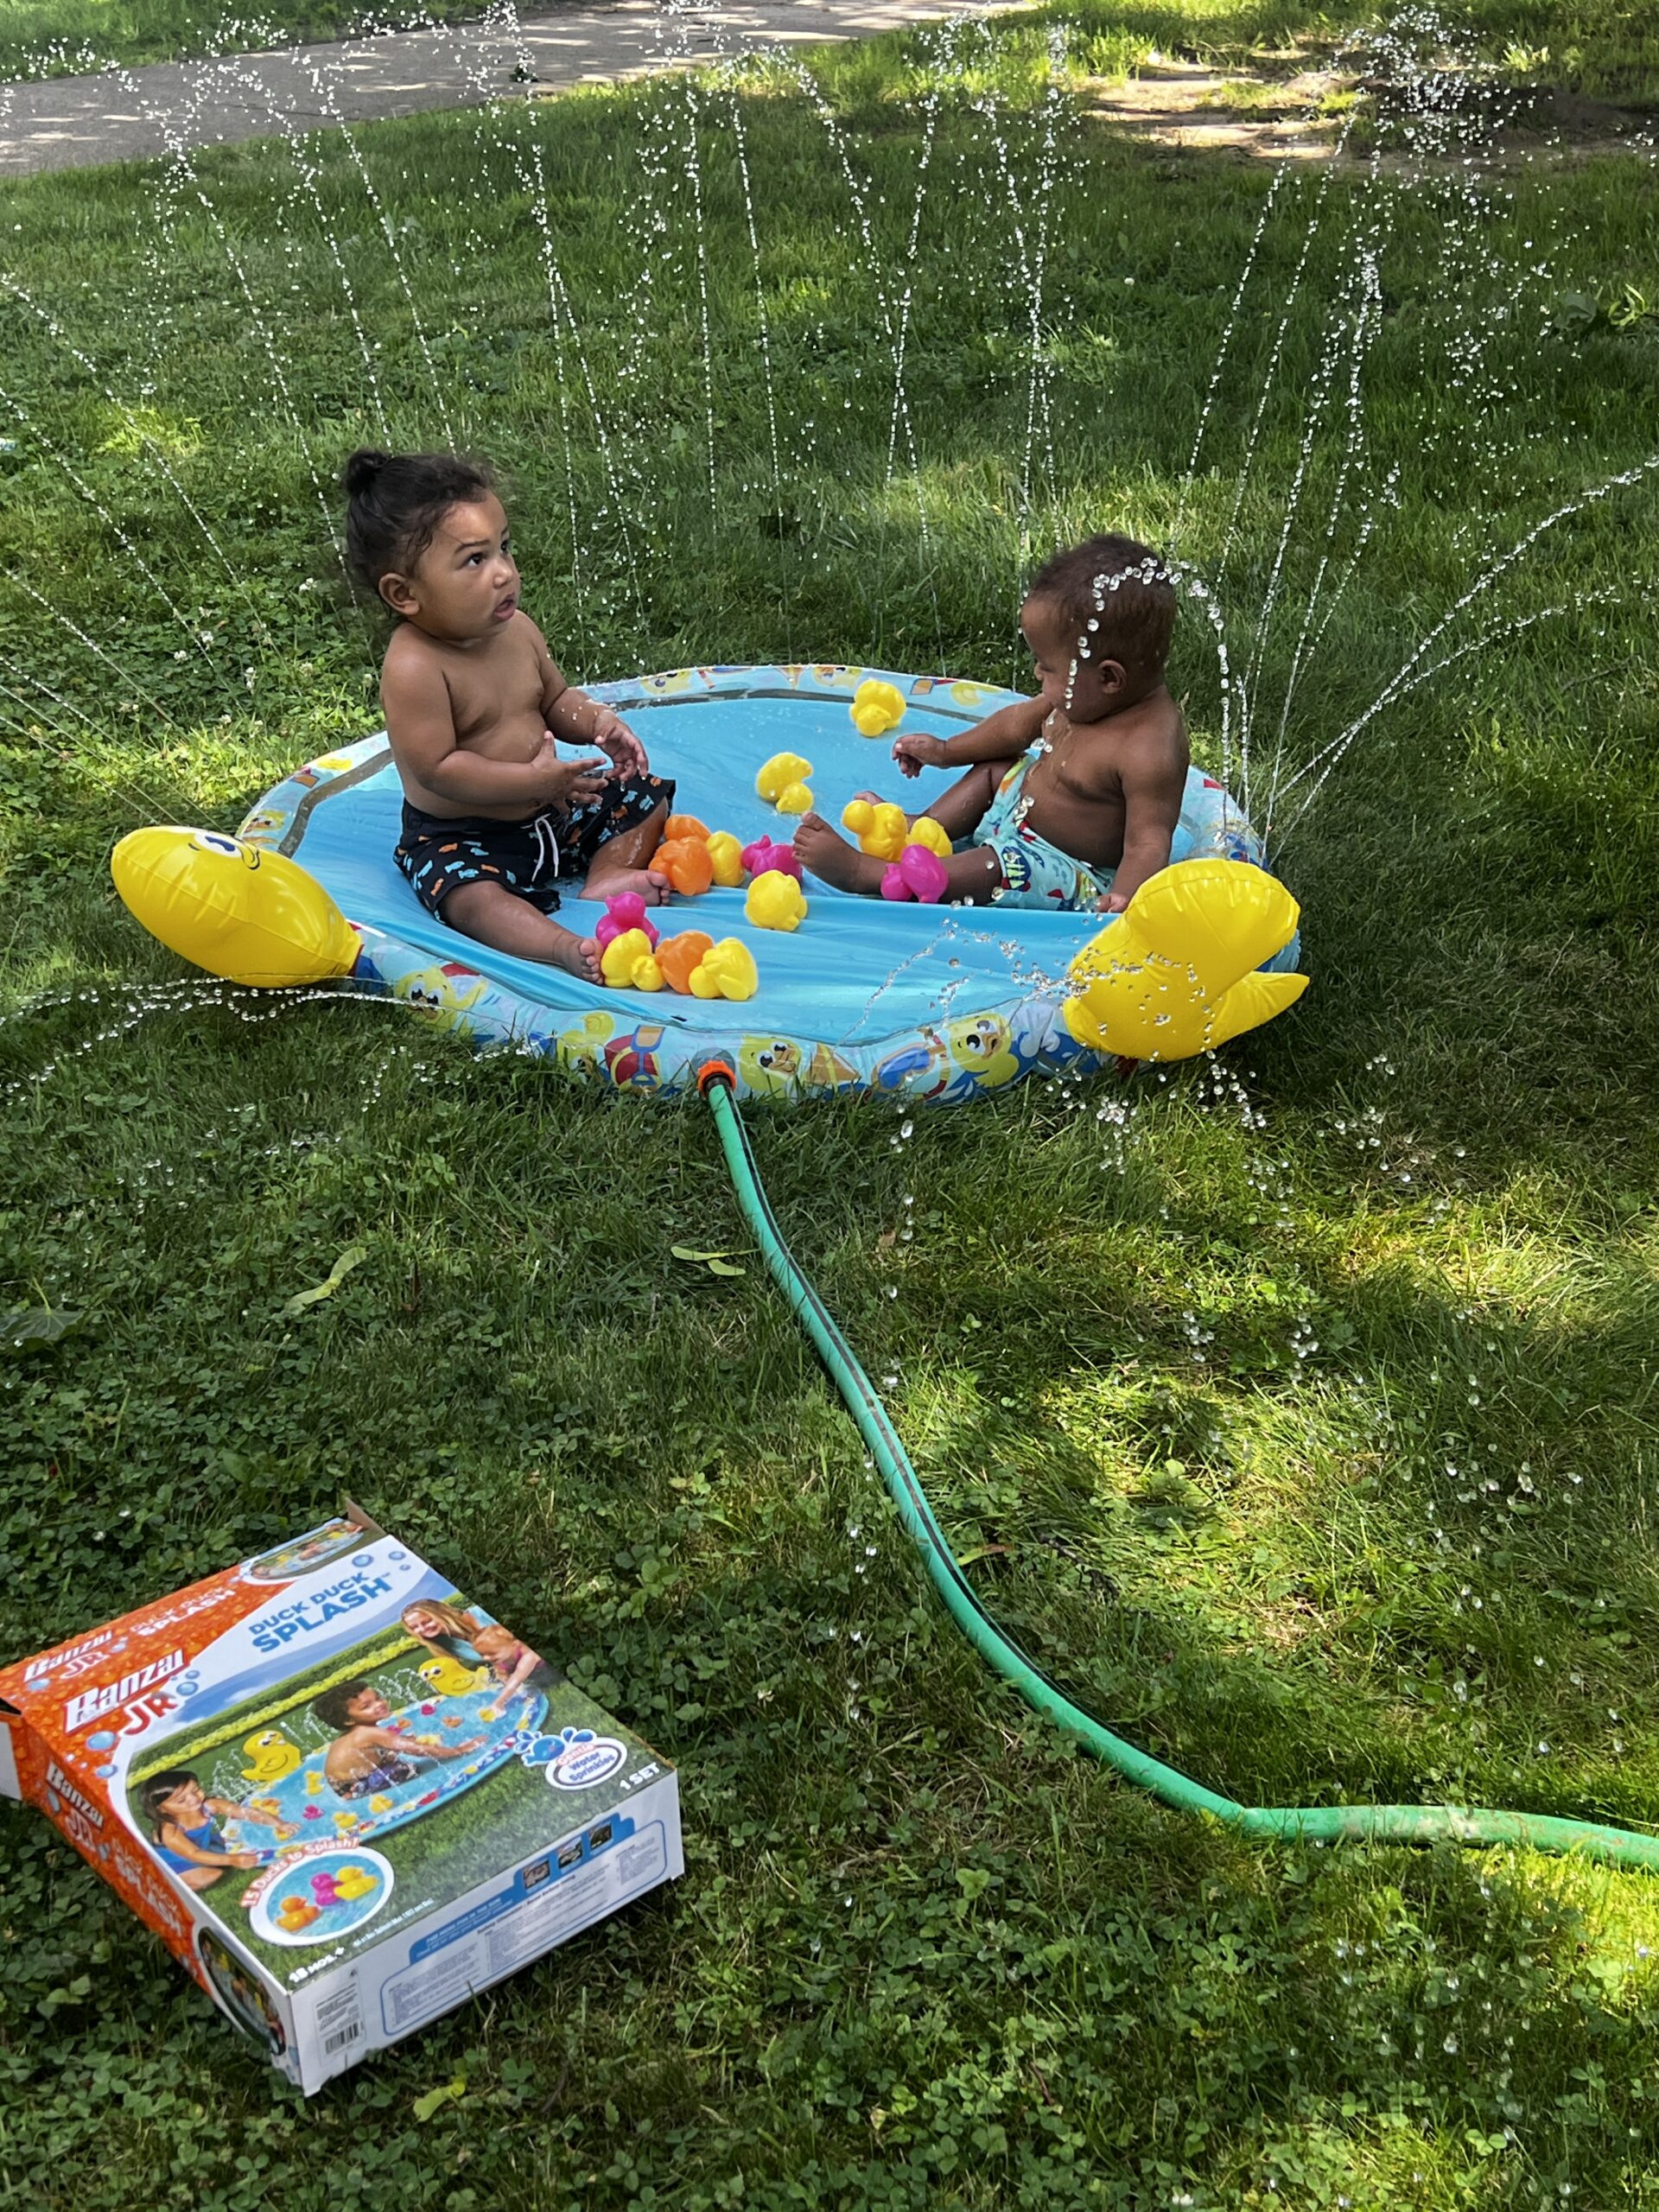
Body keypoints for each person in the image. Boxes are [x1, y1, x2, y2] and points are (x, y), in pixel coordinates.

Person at [343, 449, 675, 982]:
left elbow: (555, 698)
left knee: (643, 794)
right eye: (475, 560)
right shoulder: (415, 667)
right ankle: (559, 946)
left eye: (504, 548)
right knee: (468, 896)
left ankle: (607, 874)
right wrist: (530, 783)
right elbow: (439, 769)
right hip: (464, 833)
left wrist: (596, 722)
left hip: (552, 812)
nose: (504, 573)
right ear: (404, 593)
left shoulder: (518, 630)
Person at [795, 535, 1189, 912]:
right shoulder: (1082, 695)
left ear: (1108, 679)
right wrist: (946, 752)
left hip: (1062, 867)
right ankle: (923, 828)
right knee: (997, 769)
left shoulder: (1148, 748)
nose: (1038, 673)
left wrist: (1122, 903)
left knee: (996, 868)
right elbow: (1014, 728)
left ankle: (871, 874)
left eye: (1047, 667)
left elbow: (1147, 844)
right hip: (1021, 817)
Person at [312, 1678, 484, 1800]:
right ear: (348, 1720)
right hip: (357, 1788)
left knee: (391, 1756)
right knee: (402, 1769)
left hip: (344, 1786)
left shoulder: (356, 1734)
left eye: (377, 1698)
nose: (379, 1704)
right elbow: (417, 1750)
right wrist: (457, 1750)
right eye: (366, 1706)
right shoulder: (368, 1732)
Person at [139, 1768, 290, 1892]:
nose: (193, 1799)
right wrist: (233, 1860)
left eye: (196, 1790)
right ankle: (169, 1885)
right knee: (213, 1876)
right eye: (181, 1800)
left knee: (242, 1838)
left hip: (205, 1846)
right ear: (162, 1810)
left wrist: (278, 1823)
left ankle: (216, 1853)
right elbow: (194, 1854)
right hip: (177, 1863)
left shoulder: (210, 1805)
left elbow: (243, 1812)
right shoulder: (169, 1832)